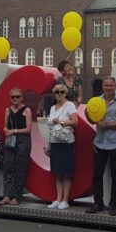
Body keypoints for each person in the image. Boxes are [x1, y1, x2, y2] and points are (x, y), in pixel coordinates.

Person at [86, 76, 116, 217]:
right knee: (97, 175)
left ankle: (113, 205)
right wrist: (89, 116)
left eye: (111, 85)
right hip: (99, 143)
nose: (108, 88)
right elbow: (92, 119)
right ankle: (98, 204)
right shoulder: (96, 101)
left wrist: (107, 124)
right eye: (106, 85)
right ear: (103, 86)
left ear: (115, 86)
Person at [45, 82, 79, 210]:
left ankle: (65, 200)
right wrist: (48, 144)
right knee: (57, 173)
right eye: (57, 92)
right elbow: (50, 128)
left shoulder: (69, 105)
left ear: (66, 94)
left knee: (66, 172)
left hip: (66, 143)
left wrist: (62, 122)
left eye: (62, 92)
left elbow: (76, 122)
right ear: (54, 94)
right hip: (55, 142)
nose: (59, 94)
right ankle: (58, 199)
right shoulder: (53, 108)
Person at [0, 87, 33, 206]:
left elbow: (28, 129)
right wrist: (6, 130)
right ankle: (7, 195)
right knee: (8, 168)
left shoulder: (26, 110)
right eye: (13, 97)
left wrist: (13, 131)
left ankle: (17, 196)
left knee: (20, 168)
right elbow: (5, 126)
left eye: (17, 96)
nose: (15, 99)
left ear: (22, 97)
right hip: (10, 141)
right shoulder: (7, 110)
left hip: (23, 141)